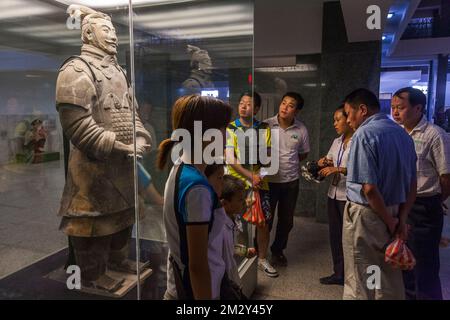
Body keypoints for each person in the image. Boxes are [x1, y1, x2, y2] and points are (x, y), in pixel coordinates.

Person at [342, 88, 417, 300]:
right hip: (396, 210)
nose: (348, 120)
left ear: (362, 110)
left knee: (361, 274)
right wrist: (400, 220)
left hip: (368, 215)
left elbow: (370, 189)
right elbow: (412, 185)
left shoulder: (364, 134)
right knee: (386, 271)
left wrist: (388, 221)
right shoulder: (402, 134)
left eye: (349, 113)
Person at [159, 95, 232, 300]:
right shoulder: (197, 188)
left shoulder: (183, 168)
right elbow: (198, 265)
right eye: (223, 128)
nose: (226, 136)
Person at [391, 87, 450, 300]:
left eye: (401, 107)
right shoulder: (396, 133)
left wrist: (436, 201)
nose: (396, 112)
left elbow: (446, 177)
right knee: (403, 260)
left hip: (424, 206)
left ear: (418, 108)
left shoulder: (435, 135)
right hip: (402, 205)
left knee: (424, 265)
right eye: (393, 107)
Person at [225, 92, 277, 277]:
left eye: (248, 104)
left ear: (256, 109)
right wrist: (250, 177)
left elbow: (269, 157)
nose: (243, 106)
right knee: (238, 222)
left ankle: (262, 258)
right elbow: (230, 159)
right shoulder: (231, 128)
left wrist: (259, 176)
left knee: (263, 222)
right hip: (236, 182)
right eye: (241, 103)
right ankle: (241, 256)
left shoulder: (263, 128)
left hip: (259, 182)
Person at [265, 92, 310, 267]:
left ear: (296, 111)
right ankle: (259, 250)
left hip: (291, 182)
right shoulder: (266, 125)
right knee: (265, 220)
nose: (285, 107)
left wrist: (288, 163)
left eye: (290, 105)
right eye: (283, 103)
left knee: (286, 220)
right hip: (268, 181)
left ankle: (277, 251)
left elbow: (303, 153)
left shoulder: (301, 129)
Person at [204, 165, 256, 297]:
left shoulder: (230, 219)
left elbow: (230, 248)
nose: (244, 202)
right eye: (240, 200)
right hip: (224, 284)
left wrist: (243, 251)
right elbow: (225, 256)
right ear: (225, 204)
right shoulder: (220, 228)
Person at [317, 105, 354, 285]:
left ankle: (351, 276)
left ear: (348, 119)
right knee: (335, 236)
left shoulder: (358, 141)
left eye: (338, 120)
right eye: (334, 120)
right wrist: (324, 162)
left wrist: (339, 168)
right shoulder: (337, 142)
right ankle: (338, 273)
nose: (335, 124)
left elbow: (363, 169)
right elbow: (327, 160)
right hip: (333, 194)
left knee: (350, 238)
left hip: (349, 197)